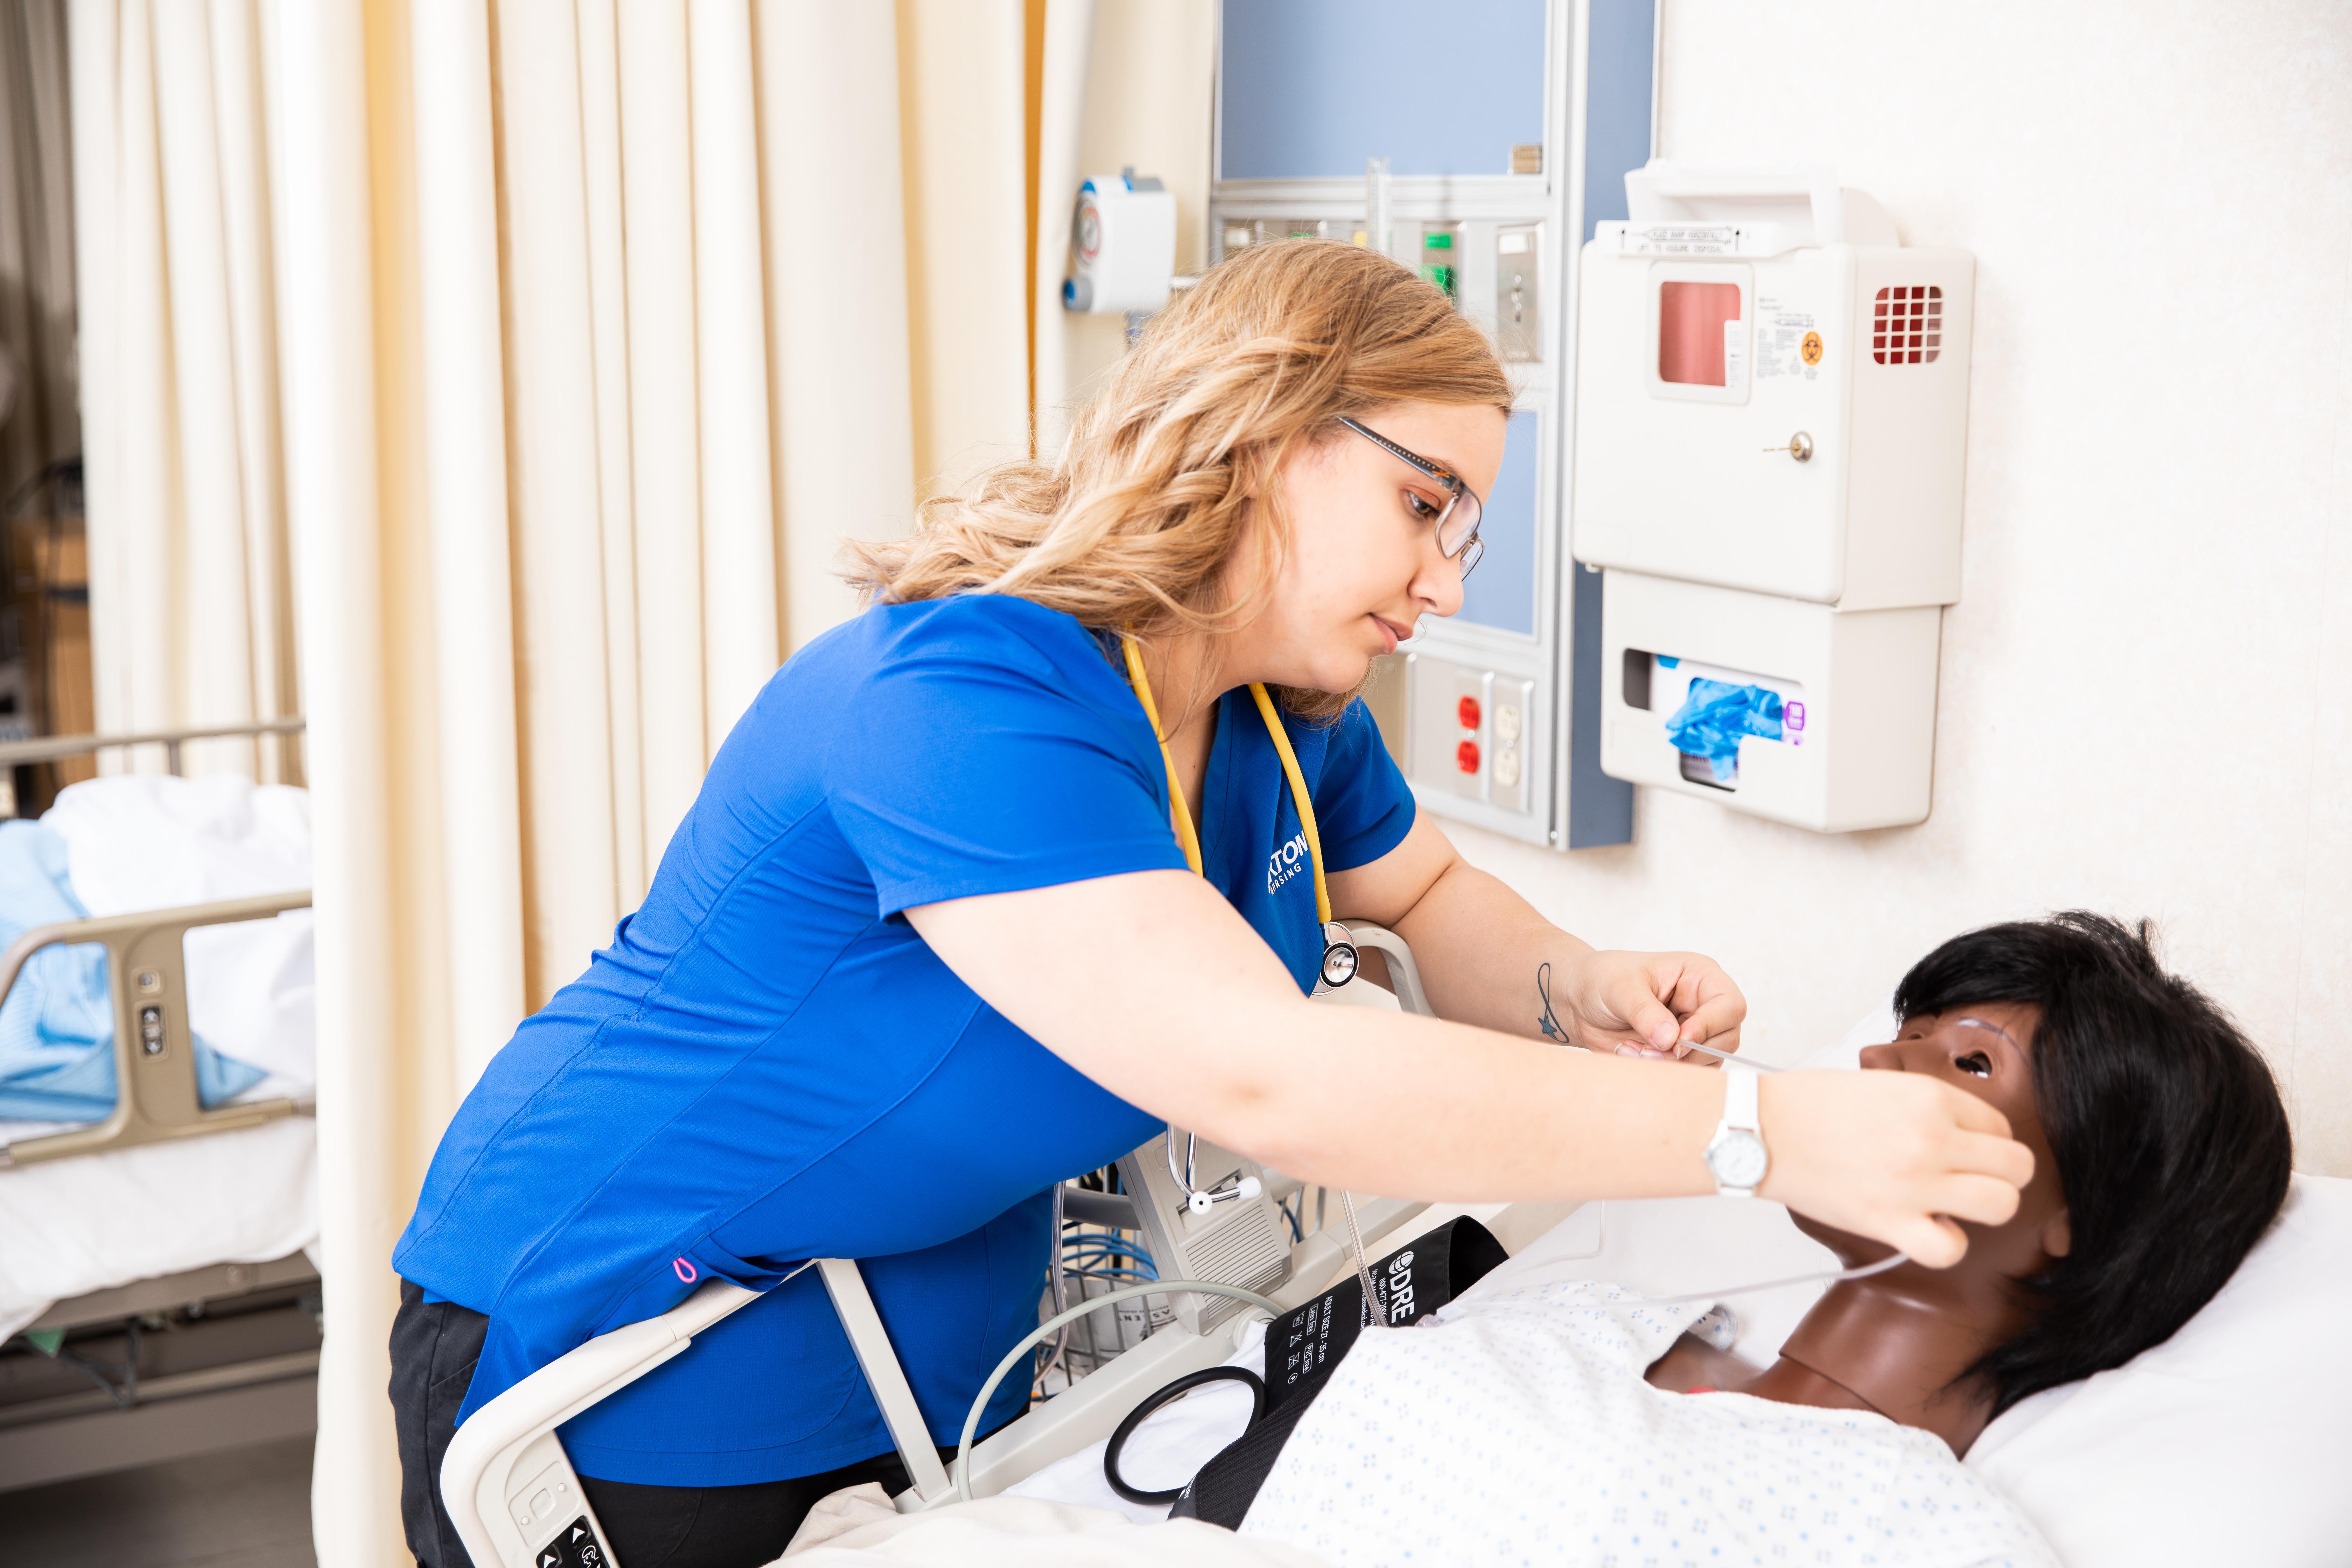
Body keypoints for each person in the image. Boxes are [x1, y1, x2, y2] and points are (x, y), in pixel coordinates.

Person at [387, 239, 2032, 1568]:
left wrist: (1575, 983)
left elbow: (1432, 894)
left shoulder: (1273, 719)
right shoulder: (963, 695)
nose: (1450, 582)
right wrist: (1761, 1131)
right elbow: (1278, 1075)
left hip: (917, 1394)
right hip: (633, 1355)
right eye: (1426, 504)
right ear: (1263, 429)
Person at [1230, 913, 2293, 1566]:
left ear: (2077, 1219)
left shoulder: (1928, 1540)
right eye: (1905, 1038)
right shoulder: (1593, 1318)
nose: (1878, 1069)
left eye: (1970, 1066)